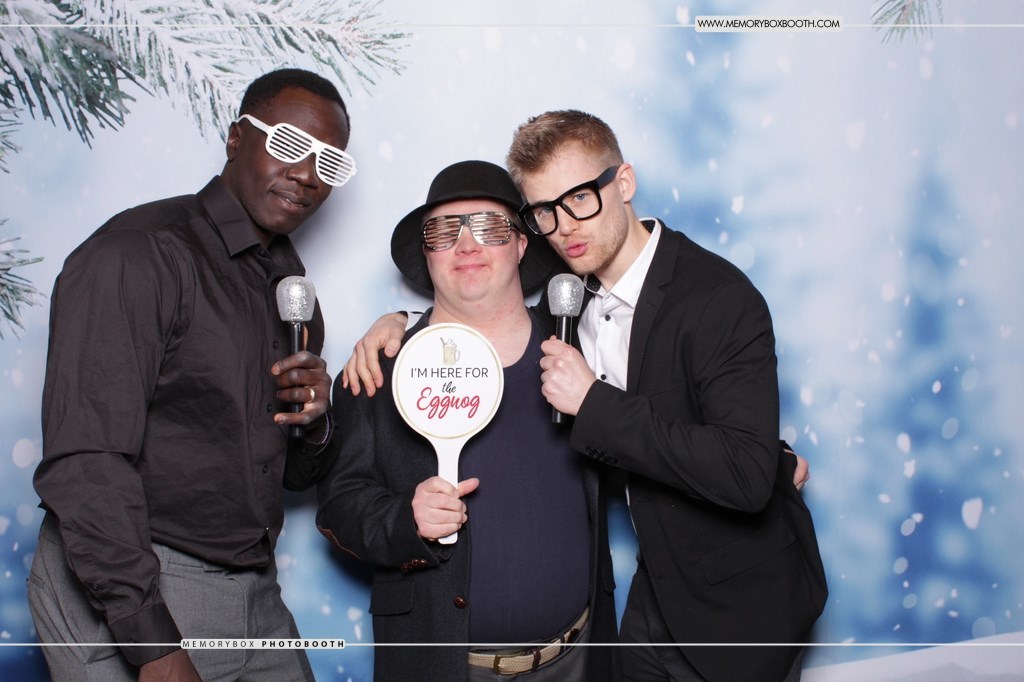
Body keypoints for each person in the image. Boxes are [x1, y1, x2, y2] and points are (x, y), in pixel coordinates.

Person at [345, 110, 826, 681]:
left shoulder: (715, 298)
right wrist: (397, 321)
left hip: (734, 617)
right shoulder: (572, 311)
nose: (565, 226)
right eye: (546, 210)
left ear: (624, 183)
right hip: (646, 611)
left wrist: (763, 460)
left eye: (579, 198)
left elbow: (732, 464)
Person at [28, 68, 354, 682]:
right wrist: (151, 642)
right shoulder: (139, 253)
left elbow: (283, 477)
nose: (308, 175)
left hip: (253, 585)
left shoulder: (291, 292)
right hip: (136, 578)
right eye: (289, 144)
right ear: (236, 137)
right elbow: (86, 461)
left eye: (329, 163)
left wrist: (313, 423)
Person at [316, 160, 619, 681]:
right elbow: (338, 506)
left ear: (521, 244)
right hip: (440, 668)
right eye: (442, 232)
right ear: (426, 254)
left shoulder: (580, 343)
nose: (466, 245)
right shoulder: (379, 366)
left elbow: (656, 411)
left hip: (579, 658)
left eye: (490, 227)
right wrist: (404, 521)